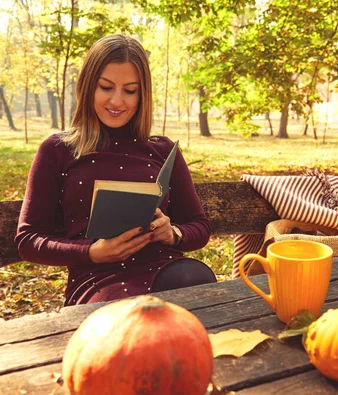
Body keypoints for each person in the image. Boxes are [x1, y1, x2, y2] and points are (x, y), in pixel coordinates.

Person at [15, 34, 216, 305]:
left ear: (142, 94)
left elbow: (199, 226)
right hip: (97, 278)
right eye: (106, 87)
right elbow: (28, 239)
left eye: (130, 90)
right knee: (128, 314)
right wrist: (92, 252)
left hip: (164, 266)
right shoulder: (58, 149)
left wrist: (173, 233)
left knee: (194, 284)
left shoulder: (163, 149)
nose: (117, 101)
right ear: (88, 87)